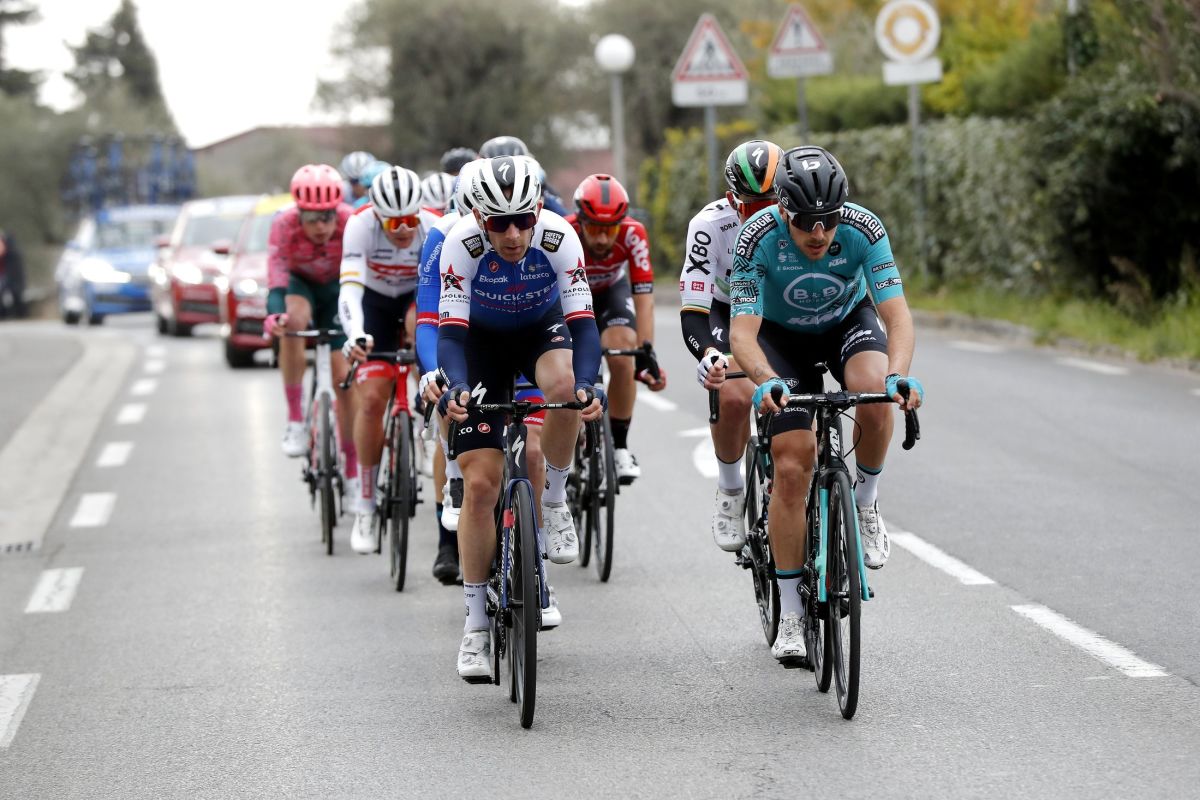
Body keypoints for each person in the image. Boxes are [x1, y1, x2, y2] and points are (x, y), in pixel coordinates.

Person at [727, 145, 925, 662]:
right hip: (779, 340)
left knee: (876, 392)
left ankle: (865, 503)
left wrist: (899, 375)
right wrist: (766, 381)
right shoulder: (755, 237)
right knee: (793, 464)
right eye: (805, 222)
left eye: (829, 220)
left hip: (845, 323)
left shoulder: (864, 229)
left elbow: (896, 316)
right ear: (782, 211)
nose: (819, 233)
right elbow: (742, 334)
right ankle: (792, 612)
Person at [434, 155, 604, 680]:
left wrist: (589, 382)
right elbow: (450, 335)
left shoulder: (558, 236)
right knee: (482, 485)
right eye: (499, 223)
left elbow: (584, 325)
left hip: (538, 330)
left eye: (522, 220)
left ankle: (554, 501)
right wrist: (456, 385)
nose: (512, 235)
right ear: (478, 218)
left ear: (537, 211)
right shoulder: (460, 244)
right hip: (479, 342)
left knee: (564, 389)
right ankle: (475, 626)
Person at [680, 140, 784, 552]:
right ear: (731, 200)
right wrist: (708, 353)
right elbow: (694, 308)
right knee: (735, 394)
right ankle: (730, 491)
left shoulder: (799, 220)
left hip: (779, 312)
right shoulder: (709, 225)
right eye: (752, 206)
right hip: (727, 311)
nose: (763, 216)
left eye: (772, 204)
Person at [338, 165, 441, 554]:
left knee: (423, 335)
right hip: (375, 303)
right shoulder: (359, 224)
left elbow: (442, 292)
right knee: (371, 400)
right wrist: (356, 334)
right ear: (377, 214)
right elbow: (349, 290)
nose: (403, 229)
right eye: (394, 222)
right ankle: (365, 503)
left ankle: (428, 425)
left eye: (410, 219)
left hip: (416, 298)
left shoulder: (432, 226)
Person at [264, 165, 358, 502]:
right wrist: (274, 312)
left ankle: (352, 470)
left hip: (337, 288)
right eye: (311, 218)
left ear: (337, 211)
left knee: (344, 379)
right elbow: (276, 273)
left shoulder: (350, 221)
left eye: (327, 217)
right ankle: (295, 419)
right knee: (292, 323)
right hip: (300, 284)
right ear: (298, 213)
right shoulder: (283, 224)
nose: (321, 226)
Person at [567, 174, 666, 482]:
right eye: (594, 228)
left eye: (609, 230)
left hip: (611, 293)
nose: (601, 239)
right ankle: (565, 443)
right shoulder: (564, 232)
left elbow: (644, 297)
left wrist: (646, 353)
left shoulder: (634, 234)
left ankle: (620, 446)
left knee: (624, 356)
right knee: (564, 364)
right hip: (569, 296)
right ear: (580, 221)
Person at [0, 229, 28, 319]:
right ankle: (19, 314)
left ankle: (17, 314)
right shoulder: (14, 249)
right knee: (15, 296)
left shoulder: (10, 250)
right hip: (11, 276)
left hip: (10, 276)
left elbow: (1, 252)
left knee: (14, 296)